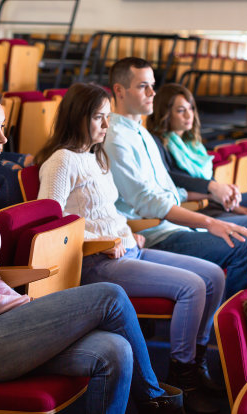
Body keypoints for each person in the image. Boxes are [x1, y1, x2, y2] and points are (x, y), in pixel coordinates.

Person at [0, 81, 185, 414]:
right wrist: (19, 306)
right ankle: (159, 402)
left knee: (116, 350)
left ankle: (157, 401)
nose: (3, 138)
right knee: (110, 295)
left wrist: (15, 303)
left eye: (3, 127)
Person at [36, 83, 225, 414]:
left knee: (213, 276)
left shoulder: (97, 156)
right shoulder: (62, 161)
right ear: (78, 117)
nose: (107, 126)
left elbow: (108, 209)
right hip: (95, 262)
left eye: (109, 117)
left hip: (126, 247)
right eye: (99, 118)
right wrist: (96, 240)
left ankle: (195, 360)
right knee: (193, 287)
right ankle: (182, 375)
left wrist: (128, 230)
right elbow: (48, 224)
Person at [104, 57, 247, 299]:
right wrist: (210, 222)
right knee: (246, 246)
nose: (152, 93)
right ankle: (230, 328)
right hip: (155, 233)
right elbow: (147, 202)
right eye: (142, 86)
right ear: (119, 90)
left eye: (152, 85)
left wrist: (214, 193)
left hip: (176, 223)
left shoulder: (142, 133)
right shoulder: (116, 138)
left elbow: (170, 190)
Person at [146, 83, 247, 245]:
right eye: (181, 110)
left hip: (214, 199)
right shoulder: (157, 141)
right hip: (196, 208)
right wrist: (212, 188)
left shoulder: (191, 142)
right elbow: (171, 177)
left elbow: (207, 176)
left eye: (191, 108)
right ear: (165, 113)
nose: (189, 115)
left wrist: (229, 201)